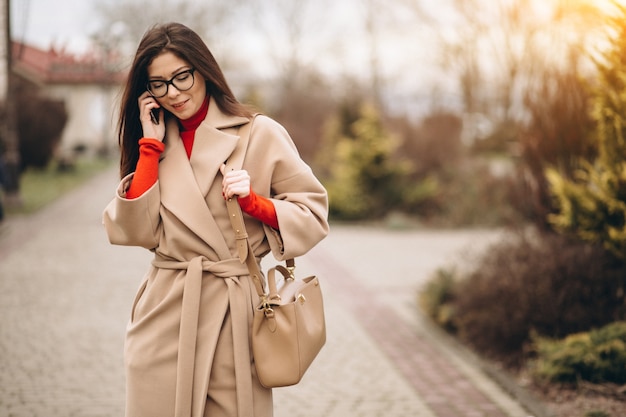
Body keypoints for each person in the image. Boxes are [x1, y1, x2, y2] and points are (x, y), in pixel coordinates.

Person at [102, 22, 329, 417]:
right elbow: (137, 231)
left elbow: (313, 213)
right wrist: (150, 147)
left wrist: (255, 204)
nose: (173, 93)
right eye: (158, 84)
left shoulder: (260, 133)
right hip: (165, 310)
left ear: (203, 69)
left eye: (181, 77)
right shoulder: (154, 143)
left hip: (232, 311)